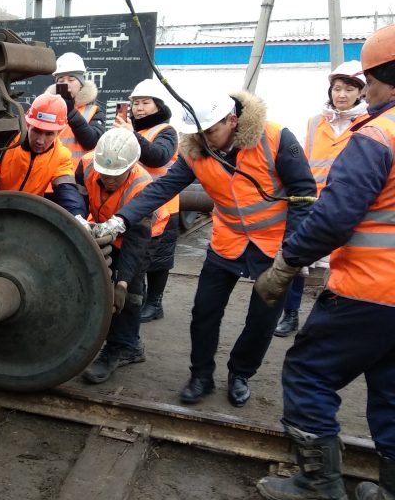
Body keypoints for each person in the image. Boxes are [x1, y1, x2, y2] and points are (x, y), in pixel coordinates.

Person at [253, 26, 395, 500]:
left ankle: (319, 485)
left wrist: (287, 263)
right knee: (391, 389)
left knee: (309, 372)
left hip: (370, 291)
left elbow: (335, 218)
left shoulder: (378, 135)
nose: (365, 92)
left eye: (369, 82)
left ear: (380, 79)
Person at [91, 90, 315, 407]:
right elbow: (163, 187)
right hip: (227, 241)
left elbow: (304, 194)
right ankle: (201, 376)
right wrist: (121, 220)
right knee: (204, 313)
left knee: (261, 319)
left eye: (210, 131)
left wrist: (294, 252)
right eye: (199, 133)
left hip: (273, 246)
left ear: (233, 121)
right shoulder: (196, 149)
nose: (205, 140)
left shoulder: (276, 138)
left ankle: (240, 374)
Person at [273, 60, 367, 338]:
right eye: (337, 88)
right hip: (313, 203)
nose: (341, 94)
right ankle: (290, 315)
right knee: (300, 260)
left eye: (349, 89)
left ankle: (337, 319)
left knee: (344, 262)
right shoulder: (315, 123)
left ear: (360, 93)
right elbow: (304, 161)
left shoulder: (369, 123)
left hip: (349, 204)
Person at [76, 128, 166, 383]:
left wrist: (123, 283)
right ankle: (131, 343)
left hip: (145, 234)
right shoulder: (86, 165)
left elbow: (136, 242)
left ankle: (119, 348)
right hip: (108, 228)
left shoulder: (141, 185)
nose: (108, 180)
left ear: (132, 166)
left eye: (115, 175)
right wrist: (79, 218)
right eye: (104, 174)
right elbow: (79, 199)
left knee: (129, 289)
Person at [116, 79, 181, 323]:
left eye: (145, 103)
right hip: (138, 203)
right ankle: (142, 298)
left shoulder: (166, 131)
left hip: (165, 207)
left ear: (158, 106)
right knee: (139, 256)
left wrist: (131, 135)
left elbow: (158, 158)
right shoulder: (136, 130)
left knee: (160, 260)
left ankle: (155, 302)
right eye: (135, 103)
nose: (139, 108)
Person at [0, 94, 86, 218]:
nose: (40, 141)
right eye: (36, 131)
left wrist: (77, 217)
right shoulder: (4, 145)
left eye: (49, 134)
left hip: (29, 218)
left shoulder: (61, 156)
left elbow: (68, 192)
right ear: (27, 124)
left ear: (59, 132)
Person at [47, 51, 105, 166]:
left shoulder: (94, 111)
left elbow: (92, 142)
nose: (66, 84)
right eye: (61, 80)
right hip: (51, 174)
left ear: (81, 83)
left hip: (80, 177)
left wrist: (71, 112)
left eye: (71, 79)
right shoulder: (47, 108)